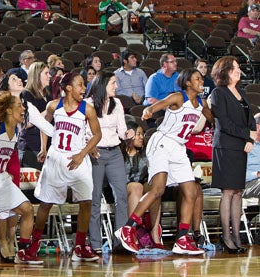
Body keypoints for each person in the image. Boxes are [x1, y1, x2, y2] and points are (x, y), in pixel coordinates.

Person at [116, 68, 213, 255]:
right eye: (197, 78)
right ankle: (127, 228)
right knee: (158, 190)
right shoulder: (178, 97)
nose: (202, 81)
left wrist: (218, 123)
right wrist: (148, 110)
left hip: (179, 147)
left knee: (191, 191)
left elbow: (210, 116)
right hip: (163, 142)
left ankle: (183, 238)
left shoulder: (201, 102)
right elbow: (158, 105)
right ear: (187, 83)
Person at [28, 72, 102, 262]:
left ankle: (80, 246)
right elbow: (44, 125)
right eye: (80, 85)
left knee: (86, 202)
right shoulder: (53, 105)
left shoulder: (88, 109)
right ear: (68, 88)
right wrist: (44, 148)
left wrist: (82, 153)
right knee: (46, 204)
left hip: (78, 158)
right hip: (56, 157)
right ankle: (34, 244)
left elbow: (97, 135)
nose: (83, 89)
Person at [0, 71, 53, 261]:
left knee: (14, 202)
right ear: (5, 85)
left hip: (11, 154)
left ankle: (12, 240)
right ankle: (3, 240)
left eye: (20, 78)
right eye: (13, 78)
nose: (19, 79)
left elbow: (47, 127)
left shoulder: (27, 106)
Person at [0, 91, 43, 264]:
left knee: (28, 210)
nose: (23, 108)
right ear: (9, 110)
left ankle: (23, 250)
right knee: (0, 212)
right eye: (19, 105)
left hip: (2, 177)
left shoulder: (16, 130)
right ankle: (3, 242)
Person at [209, 56, 256, 253]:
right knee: (228, 192)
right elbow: (225, 123)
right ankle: (226, 236)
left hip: (240, 147)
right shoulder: (218, 93)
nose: (239, 70)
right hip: (226, 147)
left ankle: (237, 236)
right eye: (235, 68)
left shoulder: (242, 92)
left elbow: (250, 119)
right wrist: (247, 134)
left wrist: (250, 139)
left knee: (238, 193)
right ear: (226, 71)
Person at [85, 71, 135, 254]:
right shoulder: (89, 104)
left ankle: (120, 241)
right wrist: (89, 146)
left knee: (122, 196)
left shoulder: (118, 103)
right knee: (95, 199)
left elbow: (121, 130)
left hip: (114, 152)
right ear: (103, 85)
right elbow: (84, 130)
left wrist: (127, 134)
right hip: (96, 154)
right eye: (113, 83)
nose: (117, 86)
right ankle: (95, 242)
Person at [19, 62, 51, 171]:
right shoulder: (26, 94)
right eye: (46, 73)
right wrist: (48, 110)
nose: (49, 76)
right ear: (37, 75)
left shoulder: (48, 95)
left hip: (47, 145)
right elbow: (26, 123)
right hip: (31, 146)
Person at [244, 113, 260, 198]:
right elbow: (237, 174)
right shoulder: (246, 145)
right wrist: (257, 174)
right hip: (248, 183)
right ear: (258, 127)